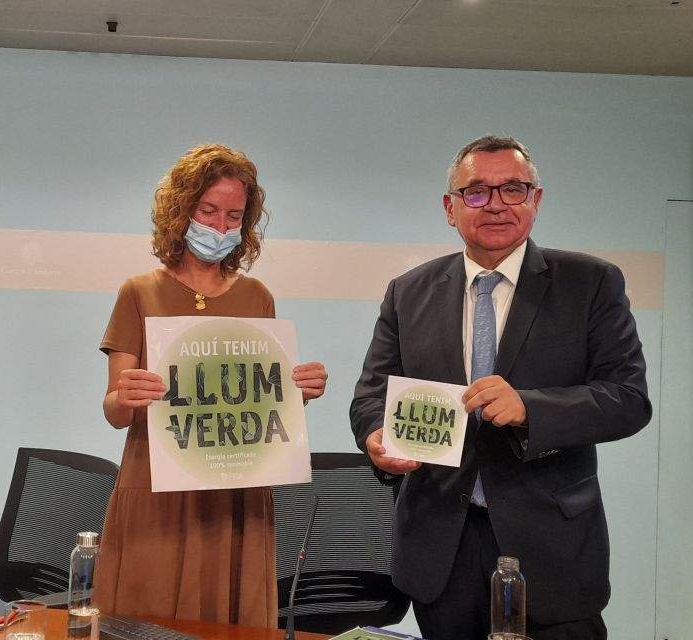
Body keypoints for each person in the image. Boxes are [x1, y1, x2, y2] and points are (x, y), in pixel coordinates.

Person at [350, 135, 651, 640]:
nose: (494, 204)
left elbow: (628, 400)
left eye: (513, 189)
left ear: (536, 200)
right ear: (450, 208)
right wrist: (375, 437)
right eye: (476, 191)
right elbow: (371, 396)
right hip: (440, 548)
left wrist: (530, 408)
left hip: (552, 547)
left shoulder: (591, 283)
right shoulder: (408, 292)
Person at [93, 143, 328, 627]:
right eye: (208, 211)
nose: (220, 226)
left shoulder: (257, 296)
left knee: (233, 623)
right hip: (156, 488)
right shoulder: (138, 291)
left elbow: (261, 405)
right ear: (181, 210)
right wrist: (126, 395)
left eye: (233, 216)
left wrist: (297, 392)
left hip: (236, 492)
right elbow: (115, 410)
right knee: (145, 623)